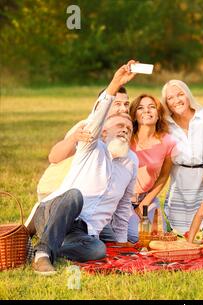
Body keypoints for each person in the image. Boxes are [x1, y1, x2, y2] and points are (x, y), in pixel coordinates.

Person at [25, 60, 139, 275]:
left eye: (129, 127)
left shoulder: (131, 161)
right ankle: (42, 256)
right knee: (74, 196)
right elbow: (97, 116)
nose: (125, 129)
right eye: (119, 125)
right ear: (103, 132)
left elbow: (124, 205)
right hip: (54, 212)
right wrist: (115, 83)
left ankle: (38, 251)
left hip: (81, 231)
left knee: (97, 249)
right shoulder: (91, 145)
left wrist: (122, 243)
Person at [36, 86, 130, 201]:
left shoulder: (122, 129)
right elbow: (54, 157)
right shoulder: (88, 126)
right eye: (117, 104)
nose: (124, 109)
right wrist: (74, 138)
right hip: (57, 191)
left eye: (126, 104)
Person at [160, 80, 203, 237]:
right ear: (166, 103)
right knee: (180, 232)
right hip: (181, 187)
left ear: (188, 95)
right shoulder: (165, 124)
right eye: (170, 98)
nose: (176, 100)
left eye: (180, 94)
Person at [126, 93, 177, 241]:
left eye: (152, 107)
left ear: (158, 114)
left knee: (158, 236)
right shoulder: (126, 138)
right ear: (134, 115)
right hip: (123, 199)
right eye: (141, 108)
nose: (147, 111)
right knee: (136, 237)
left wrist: (145, 203)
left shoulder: (168, 142)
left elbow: (163, 177)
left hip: (148, 197)